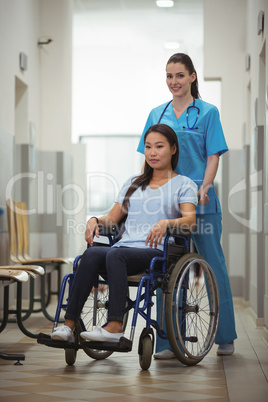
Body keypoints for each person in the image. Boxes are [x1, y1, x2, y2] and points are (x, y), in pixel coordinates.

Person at [51, 124, 198, 343]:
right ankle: (69, 326)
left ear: (173, 149)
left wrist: (167, 223)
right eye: (148, 147)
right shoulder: (133, 183)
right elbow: (112, 218)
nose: (153, 152)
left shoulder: (183, 184)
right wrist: (93, 219)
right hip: (123, 250)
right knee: (90, 255)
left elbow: (190, 221)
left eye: (159, 146)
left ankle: (114, 325)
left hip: (155, 253)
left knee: (114, 254)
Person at [137, 53, 237, 358]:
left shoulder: (207, 112)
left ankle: (225, 336)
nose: (174, 82)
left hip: (201, 201)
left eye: (180, 76)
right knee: (169, 272)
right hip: (168, 205)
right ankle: (169, 341)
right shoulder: (157, 113)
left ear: (192, 77)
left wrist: (205, 186)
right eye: (169, 76)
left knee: (213, 268)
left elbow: (213, 155)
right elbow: (148, 156)